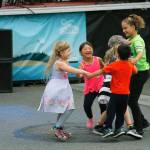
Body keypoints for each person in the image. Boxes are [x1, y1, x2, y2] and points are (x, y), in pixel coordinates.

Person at [38, 41, 88, 141]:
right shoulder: (59, 63)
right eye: (68, 50)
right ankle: (57, 127)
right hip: (57, 88)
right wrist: (84, 71)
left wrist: (82, 71)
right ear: (61, 52)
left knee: (64, 108)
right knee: (69, 108)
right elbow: (71, 70)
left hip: (63, 87)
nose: (70, 52)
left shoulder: (64, 61)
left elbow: (69, 72)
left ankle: (59, 128)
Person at [87, 44, 138, 138]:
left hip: (115, 94)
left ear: (117, 54)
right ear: (129, 55)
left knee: (111, 111)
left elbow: (102, 71)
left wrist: (90, 75)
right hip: (125, 94)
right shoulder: (130, 65)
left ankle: (108, 128)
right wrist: (132, 62)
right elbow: (135, 71)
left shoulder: (114, 65)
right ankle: (118, 128)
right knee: (121, 112)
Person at [122, 14, 150, 137]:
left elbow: (140, 52)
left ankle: (139, 129)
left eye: (126, 28)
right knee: (130, 99)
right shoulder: (131, 40)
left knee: (132, 100)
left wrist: (135, 59)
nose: (124, 31)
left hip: (141, 73)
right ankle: (142, 122)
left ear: (133, 27)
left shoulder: (138, 40)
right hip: (135, 73)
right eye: (123, 28)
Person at [77, 41, 106, 129]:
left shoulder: (98, 59)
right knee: (86, 105)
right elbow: (79, 76)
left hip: (101, 86)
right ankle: (90, 119)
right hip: (90, 88)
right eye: (85, 49)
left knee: (103, 105)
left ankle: (103, 122)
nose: (88, 50)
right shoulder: (82, 63)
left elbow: (105, 68)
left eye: (89, 48)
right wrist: (79, 71)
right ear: (81, 52)